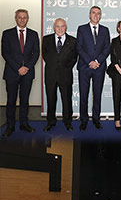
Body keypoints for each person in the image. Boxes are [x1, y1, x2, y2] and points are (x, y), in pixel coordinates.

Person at [1, 9, 40, 137]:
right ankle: (10, 126)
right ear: (15, 18)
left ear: (28, 19)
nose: (22, 19)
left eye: (25, 17)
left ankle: (24, 124)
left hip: (27, 73)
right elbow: (5, 53)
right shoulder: (7, 33)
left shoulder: (34, 34)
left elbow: (36, 53)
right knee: (11, 101)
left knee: (25, 100)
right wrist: (18, 67)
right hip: (12, 72)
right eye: (20, 17)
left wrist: (26, 67)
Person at [77, 6, 110, 131]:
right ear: (89, 15)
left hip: (99, 67)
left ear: (100, 16)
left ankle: (96, 118)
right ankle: (84, 119)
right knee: (84, 95)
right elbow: (79, 48)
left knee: (97, 94)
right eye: (93, 13)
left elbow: (107, 48)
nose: (96, 15)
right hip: (85, 67)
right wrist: (89, 61)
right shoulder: (82, 29)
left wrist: (97, 61)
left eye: (98, 13)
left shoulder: (105, 30)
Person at [42, 18, 77, 132]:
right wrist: (54, 66)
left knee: (67, 100)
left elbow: (74, 58)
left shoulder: (73, 41)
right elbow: (45, 56)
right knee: (51, 99)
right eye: (57, 26)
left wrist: (65, 67)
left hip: (65, 75)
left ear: (66, 27)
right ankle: (51, 122)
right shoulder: (46, 39)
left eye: (62, 26)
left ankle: (68, 122)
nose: (60, 28)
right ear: (54, 27)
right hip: (50, 75)